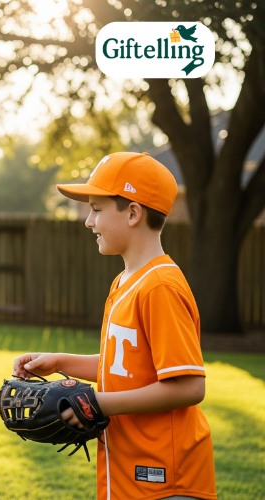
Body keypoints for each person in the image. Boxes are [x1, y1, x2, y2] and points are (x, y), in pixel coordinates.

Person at [13, 152, 216, 499]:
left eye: (96, 209)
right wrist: (60, 361)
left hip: (166, 478)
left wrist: (96, 403)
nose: (88, 221)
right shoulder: (125, 281)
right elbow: (126, 366)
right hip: (130, 469)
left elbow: (189, 386)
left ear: (133, 213)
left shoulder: (160, 287)